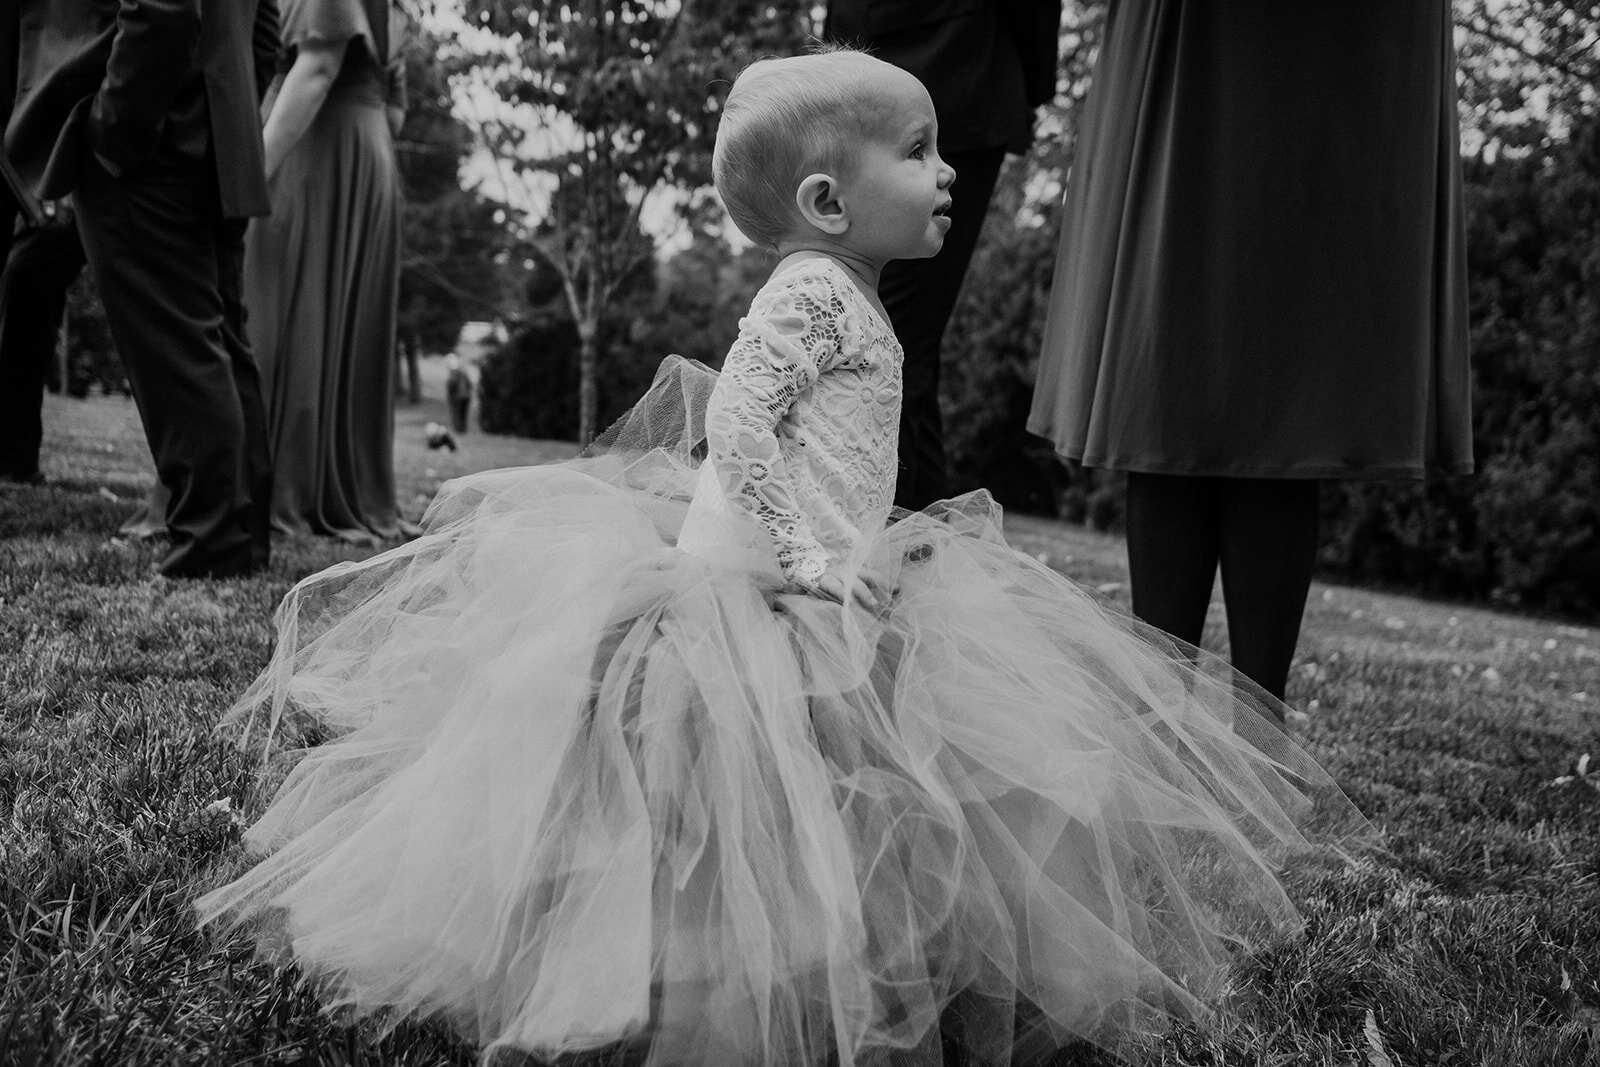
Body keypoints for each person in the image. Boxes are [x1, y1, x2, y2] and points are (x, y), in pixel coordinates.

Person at [198, 50, 1364, 1065]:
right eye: (918, 150)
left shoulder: (848, 290)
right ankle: (714, 979)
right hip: (760, 592)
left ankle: (825, 954)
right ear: (827, 197)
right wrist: (807, 551)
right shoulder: (810, 295)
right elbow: (744, 429)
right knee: (743, 790)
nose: (948, 169)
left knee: (853, 783)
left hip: (825, 576)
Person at [1028, 3, 1473, 706]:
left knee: (1293, 356)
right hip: (1196, 31)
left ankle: (1256, 730)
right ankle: (1164, 722)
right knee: (1175, 333)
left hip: (1344, 43)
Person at [4, 0, 279, 578]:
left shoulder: (132, 134)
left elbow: (162, 7)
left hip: (150, 139)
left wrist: (115, 127)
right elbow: (265, 33)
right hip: (217, 134)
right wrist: (228, 111)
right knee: (219, 338)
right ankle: (238, 537)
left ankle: (212, 543)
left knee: (179, 347)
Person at [824, 0, 1061, 510]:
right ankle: (903, 545)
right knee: (891, 339)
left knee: (895, 338)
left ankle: (896, 543)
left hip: (948, 71)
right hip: (896, 76)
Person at [248, 0, 409, 544]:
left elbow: (316, 69)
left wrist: (245, 182)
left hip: (314, 150)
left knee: (283, 319)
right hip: (369, 157)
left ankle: (278, 488)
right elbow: (395, 112)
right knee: (340, 328)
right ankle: (350, 490)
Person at [0, 200, 86, 486]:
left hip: (58, 191)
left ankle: (14, 458)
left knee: (24, 275)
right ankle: (14, 458)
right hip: (24, 184)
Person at [445, 352, 472, 435]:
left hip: (457, 396)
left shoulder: (453, 372)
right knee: (463, 414)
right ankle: (463, 430)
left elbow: (452, 383)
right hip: (466, 395)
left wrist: (449, 394)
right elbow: (469, 383)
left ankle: (458, 431)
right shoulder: (463, 370)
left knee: (456, 414)